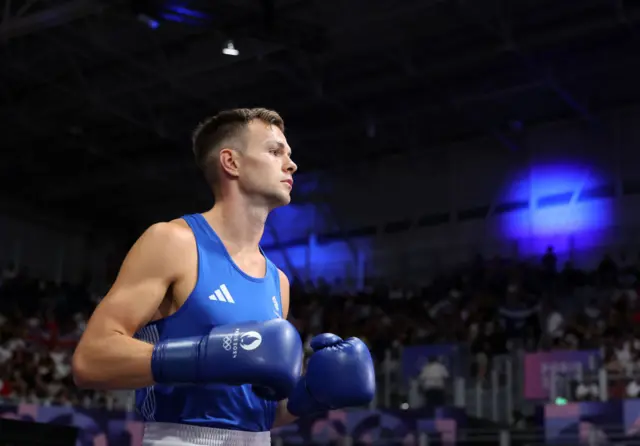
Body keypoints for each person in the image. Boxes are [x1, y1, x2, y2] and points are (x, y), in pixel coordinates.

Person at [72, 108, 375, 445]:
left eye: (289, 155)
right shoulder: (173, 241)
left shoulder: (279, 281)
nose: (291, 164)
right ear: (231, 162)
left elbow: (259, 412)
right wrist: (206, 356)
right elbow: (90, 359)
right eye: (275, 152)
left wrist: (311, 396)